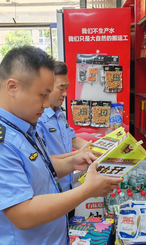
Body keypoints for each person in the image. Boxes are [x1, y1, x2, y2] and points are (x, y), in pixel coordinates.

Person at [0, 46, 122, 245]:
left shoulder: (23, 127)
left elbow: (40, 169)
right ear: (12, 86)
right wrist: (87, 190)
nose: (45, 104)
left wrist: (74, 162)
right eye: (42, 95)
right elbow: (23, 214)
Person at [37, 61, 91, 219]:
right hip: (52, 192)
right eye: (61, 88)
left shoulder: (60, 113)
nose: (65, 93)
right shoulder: (39, 119)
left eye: (66, 88)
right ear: (47, 86)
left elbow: (73, 140)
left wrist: (99, 147)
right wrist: (77, 157)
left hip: (68, 187)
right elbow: (42, 161)